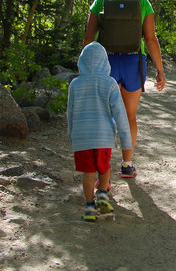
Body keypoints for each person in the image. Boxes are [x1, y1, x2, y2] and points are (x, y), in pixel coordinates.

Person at [82, 0, 166, 178]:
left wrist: (85, 68)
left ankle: (103, 170)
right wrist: (160, 69)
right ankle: (127, 164)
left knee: (103, 117)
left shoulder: (100, 2)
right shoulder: (143, 3)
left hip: (104, 63)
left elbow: (89, 38)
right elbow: (150, 39)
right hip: (132, 62)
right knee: (129, 116)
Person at [67, 41, 132, 221]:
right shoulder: (110, 83)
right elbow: (120, 113)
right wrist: (126, 140)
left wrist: (71, 134)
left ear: (82, 61)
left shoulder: (75, 84)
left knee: (88, 173)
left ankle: (89, 207)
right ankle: (103, 194)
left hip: (82, 137)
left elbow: (70, 111)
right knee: (104, 168)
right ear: (106, 62)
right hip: (103, 137)